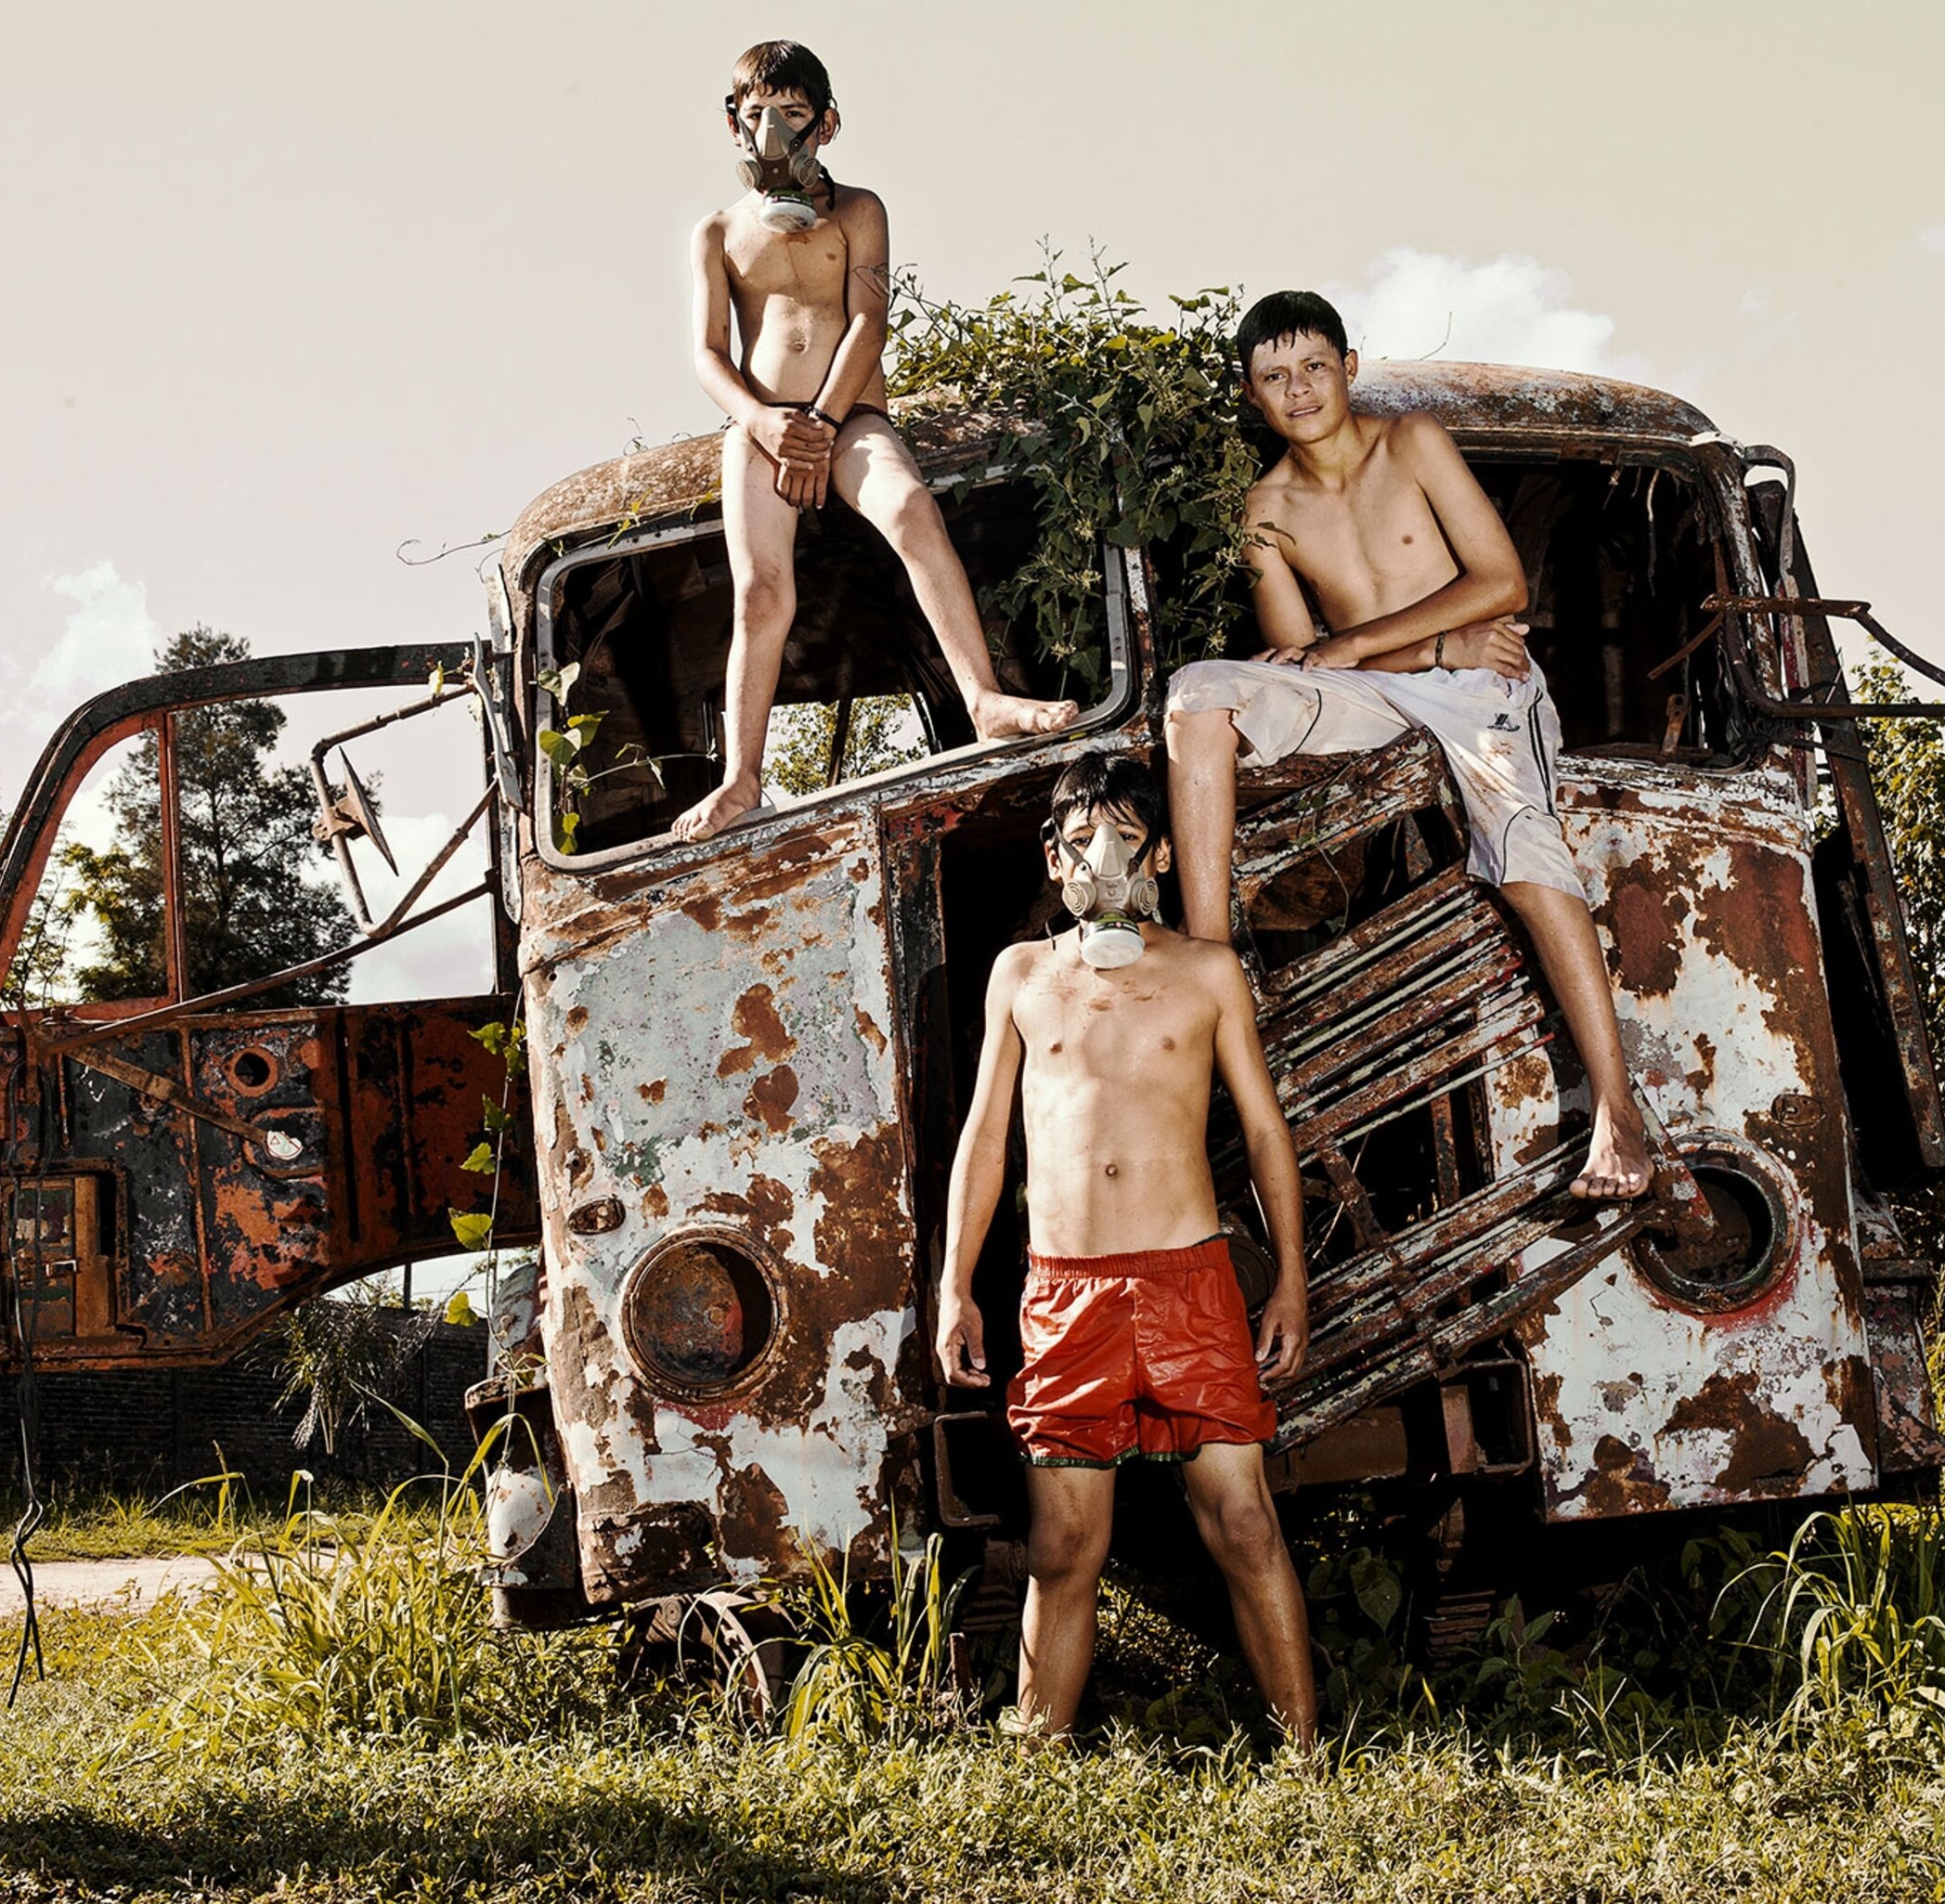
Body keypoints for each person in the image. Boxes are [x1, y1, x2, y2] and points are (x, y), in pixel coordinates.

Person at [1162, 291, 1653, 1198]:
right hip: (1385, 683)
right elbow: (1300, 654)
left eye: (1314, 366)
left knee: (1525, 847)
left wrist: (1377, 646)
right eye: (1275, 376)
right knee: (1197, 694)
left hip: (1477, 686)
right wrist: (1416, 645)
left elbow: (1499, 580)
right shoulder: (1263, 505)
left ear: (1350, 367)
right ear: (1250, 395)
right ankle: (1205, 963)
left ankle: (1619, 1114)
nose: (1299, 389)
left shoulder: (1412, 441)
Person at [934, 754, 1316, 1748]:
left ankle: (1308, 1765)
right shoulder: (1020, 974)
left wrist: (1292, 1284)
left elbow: (1268, 1131)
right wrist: (955, 1285)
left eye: (1120, 832)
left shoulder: (1204, 969)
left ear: (1153, 848)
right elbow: (985, 1137)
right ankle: (1036, 1761)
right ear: (1054, 856)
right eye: (1078, 836)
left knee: (1243, 1523)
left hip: (1189, 1279)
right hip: (1065, 1291)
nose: (1097, 856)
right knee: (1064, 1543)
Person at [678, 40, 1074, 841]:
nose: (772, 136)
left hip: (847, 420)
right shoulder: (717, 232)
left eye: (790, 116)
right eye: (755, 117)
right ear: (732, 126)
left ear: (826, 123)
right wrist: (764, 423)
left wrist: (822, 427)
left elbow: (868, 322)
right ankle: (742, 778)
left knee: (913, 509)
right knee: (759, 593)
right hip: (758, 428)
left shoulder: (859, 211)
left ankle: (984, 698)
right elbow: (708, 353)